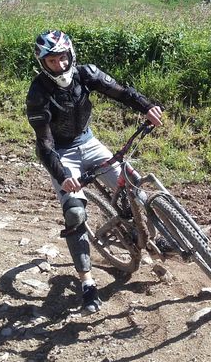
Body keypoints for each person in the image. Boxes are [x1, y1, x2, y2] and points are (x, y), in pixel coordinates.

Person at [25, 29, 163, 314]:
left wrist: (147, 107)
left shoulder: (86, 74)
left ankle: (159, 236)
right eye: (52, 61)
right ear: (43, 63)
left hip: (88, 142)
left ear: (71, 54)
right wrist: (63, 176)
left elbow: (122, 92)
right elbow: (45, 144)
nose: (60, 65)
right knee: (75, 214)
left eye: (63, 58)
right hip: (61, 154)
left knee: (134, 185)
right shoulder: (38, 94)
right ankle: (87, 282)